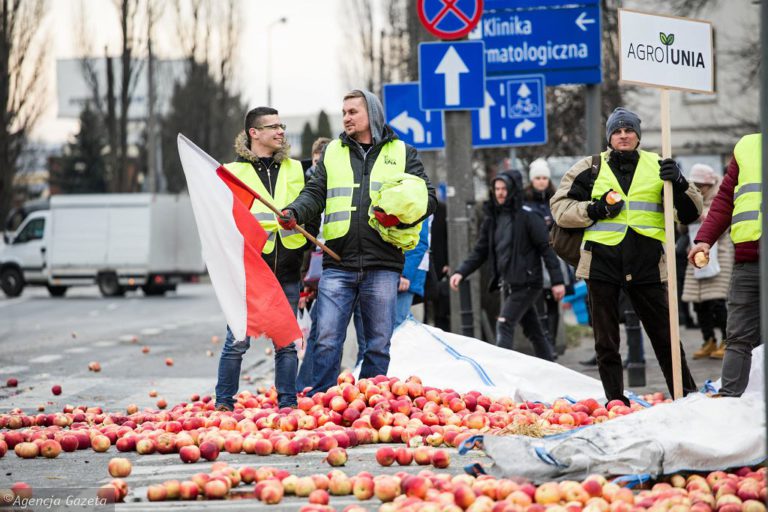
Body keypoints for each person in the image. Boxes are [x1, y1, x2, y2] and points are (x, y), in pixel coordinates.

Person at [280, 89, 437, 394]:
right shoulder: (333, 152)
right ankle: (323, 398)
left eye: (353, 111)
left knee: (378, 342)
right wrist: (295, 211)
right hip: (338, 262)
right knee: (325, 338)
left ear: (372, 114)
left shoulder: (403, 153)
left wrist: (399, 218)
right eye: (344, 113)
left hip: (383, 263)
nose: (346, 118)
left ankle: (367, 399)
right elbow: (315, 193)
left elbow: (427, 199)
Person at [550, 107, 702, 404]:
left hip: (647, 262)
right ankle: (615, 401)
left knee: (666, 337)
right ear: (609, 137)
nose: (623, 135)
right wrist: (594, 210)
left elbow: (691, 212)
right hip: (601, 262)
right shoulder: (589, 167)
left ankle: (688, 399)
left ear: (637, 135)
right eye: (617, 131)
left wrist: (681, 183)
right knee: (606, 342)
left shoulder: (660, 164)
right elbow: (559, 208)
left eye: (628, 130)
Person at [215, 106, 319, 411]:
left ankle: (287, 405)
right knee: (238, 342)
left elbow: (310, 210)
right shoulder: (232, 174)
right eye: (273, 127)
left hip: (286, 269)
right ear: (254, 133)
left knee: (287, 344)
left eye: (282, 125)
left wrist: (300, 251)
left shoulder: (295, 169)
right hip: (249, 274)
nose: (281, 132)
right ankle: (224, 404)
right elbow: (224, 224)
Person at [449, 170, 565, 361]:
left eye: (504, 189)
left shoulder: (529, 217)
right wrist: (461, 272)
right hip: (509, 284)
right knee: (534, 330)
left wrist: (557, 281)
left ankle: (499, 371)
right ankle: (550, 364)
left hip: (528, 283)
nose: (500, 193)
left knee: (504, 323)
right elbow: (480, 251)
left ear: (512, 190)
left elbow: (547, 249)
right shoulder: (492, 219)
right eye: (497, 189)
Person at [689, 134, 761, 397]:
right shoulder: (747, 146)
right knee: (738, 335)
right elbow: (724, 202)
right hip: (748, 259)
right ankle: (730, 401)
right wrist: (704, 240)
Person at [681, 164, 733, 359]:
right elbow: (682, 229)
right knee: (699, 302)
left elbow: (724, 227)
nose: (699, 190)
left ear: (710, 184)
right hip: (696, 257)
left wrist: (707, 216)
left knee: (718, 301)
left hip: (720, 256)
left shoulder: (723, 200)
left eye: (701, 185)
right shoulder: (693, 202)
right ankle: (708, 340)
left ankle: (727, 340)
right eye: (695, 185)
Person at [524, 158, 572, 349]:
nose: (541, 181)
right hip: (535, 259)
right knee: (537, 304)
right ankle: (543, 344)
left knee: (554, 304)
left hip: (554, 256)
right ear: (532, 180)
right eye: (537, 178)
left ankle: (551, 343)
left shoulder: (556, 199)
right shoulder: (525, 202)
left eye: (544, 177)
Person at [396, 218, 431, 325]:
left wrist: (404, 274)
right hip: (402, 275)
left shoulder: (417, 204)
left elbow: (419, 244)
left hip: (405, 278)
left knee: (398, 325)